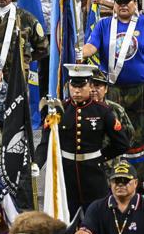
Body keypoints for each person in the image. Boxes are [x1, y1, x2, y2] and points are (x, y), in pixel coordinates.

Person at [82, 0, 144, 184]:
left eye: (128, 1)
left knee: (141, 137)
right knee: (114, 133)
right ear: (114, 4)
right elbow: (92, 46)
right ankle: (115, 176)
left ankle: (140, 180)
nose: (123, 5)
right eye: (119, 1)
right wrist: (77, 52)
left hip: (143, 92)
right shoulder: (103, 25)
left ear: (136, 3)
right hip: (113, 91)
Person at [35, 64, 130, 216]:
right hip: (66, 173)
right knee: (66, 219)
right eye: (73, 86)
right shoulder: (59, 110)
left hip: (93, 173)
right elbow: (46, 142)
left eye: (82, 86)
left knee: (98, 218)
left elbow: (122, 143)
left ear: (90, 86)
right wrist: (37, 164)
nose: (77, 91)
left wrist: (100, 156)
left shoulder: (102, 111)